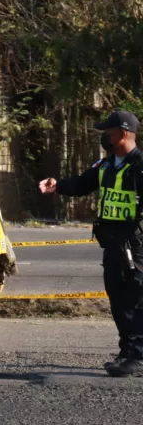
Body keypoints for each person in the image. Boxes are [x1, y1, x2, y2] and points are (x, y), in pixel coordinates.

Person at [39, 110, 143, 377]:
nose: (104, 138)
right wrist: (57, 185)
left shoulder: (140, 165)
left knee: (135, 301)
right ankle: (127, 351)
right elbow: (82, 183)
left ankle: (137, 356)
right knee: (118, 301)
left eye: (107, 133)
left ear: (122, 134)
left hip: (136, 246)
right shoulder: (106, 165)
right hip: (112, 245)